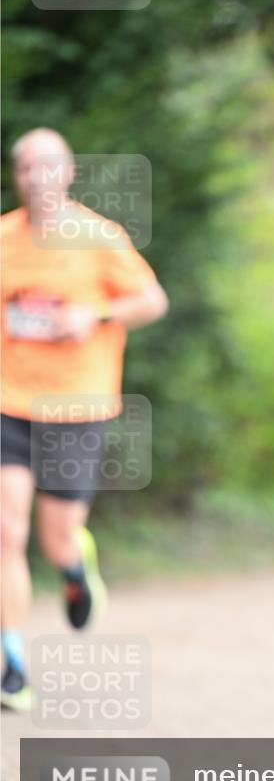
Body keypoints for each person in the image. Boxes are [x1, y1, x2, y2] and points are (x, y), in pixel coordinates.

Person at [1, 128, 168, 711]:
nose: (36, 178)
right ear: (17, 176)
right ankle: (13, 662)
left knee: (55, 537)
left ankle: (75, 566)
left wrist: (93, 313)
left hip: (76, 408)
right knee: (5, 531)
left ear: (67, 173)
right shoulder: (3, 239)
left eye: (48, 167)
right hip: (9, 405)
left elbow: (151, 301)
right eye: (25, 168)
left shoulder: (98, 237)